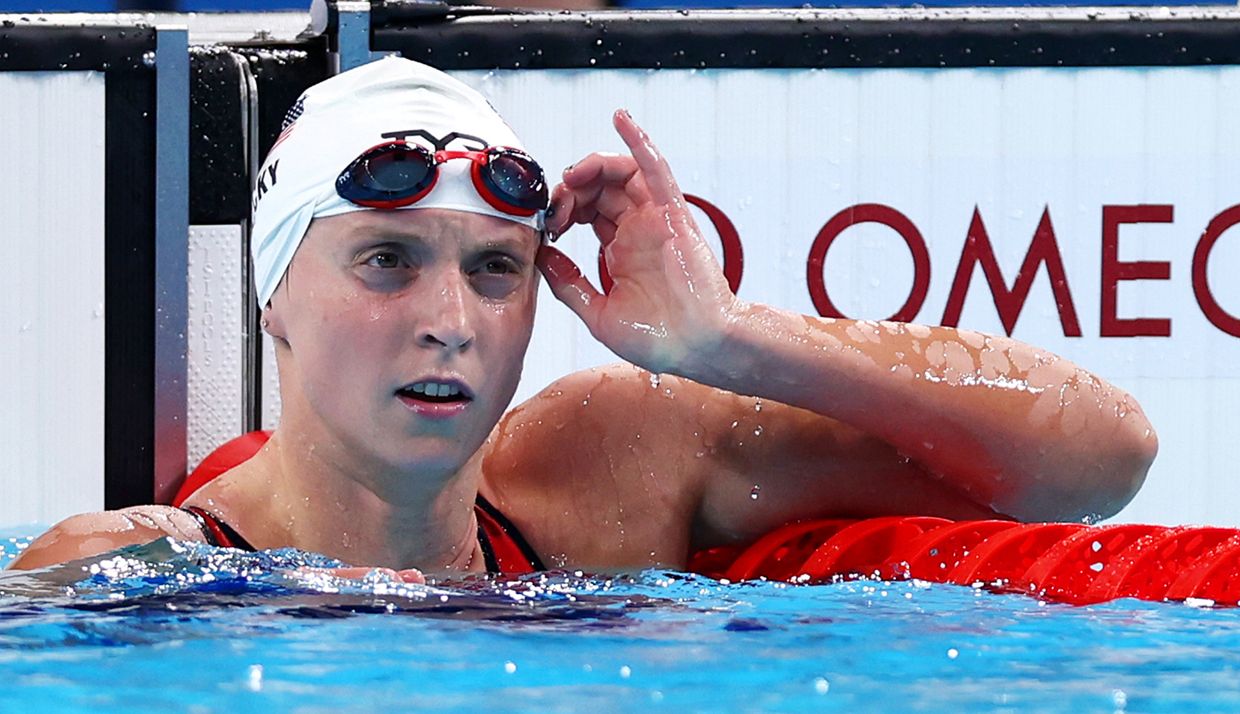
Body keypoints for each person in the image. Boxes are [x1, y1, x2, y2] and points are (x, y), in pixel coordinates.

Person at [8, 57, 1157, 575]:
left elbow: (1097, 462)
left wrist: (728, 342)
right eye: (386, 262)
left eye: (496, 272)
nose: (450, 319)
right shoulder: (130, 576)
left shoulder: (604, 469)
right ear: (274, 301)